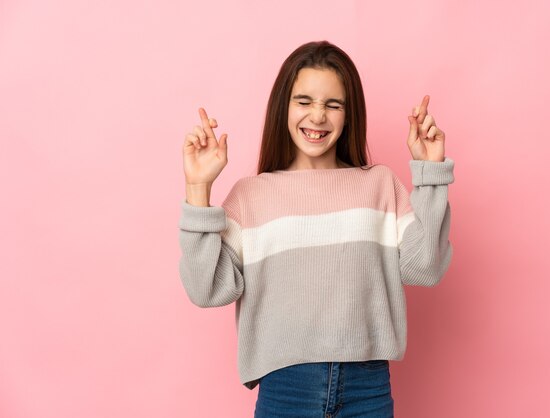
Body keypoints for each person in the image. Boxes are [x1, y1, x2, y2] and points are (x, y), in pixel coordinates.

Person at [178, 40, 455, 418]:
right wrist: (198, 189)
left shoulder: (378, 185)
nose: (318, 116)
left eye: (333, 104)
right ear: (283, 107)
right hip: (285, 390)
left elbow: (426, 266)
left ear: (349, 114)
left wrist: (430, 174)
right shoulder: (251, 196)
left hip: (368, 390)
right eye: (304, 101)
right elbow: (206, 288)